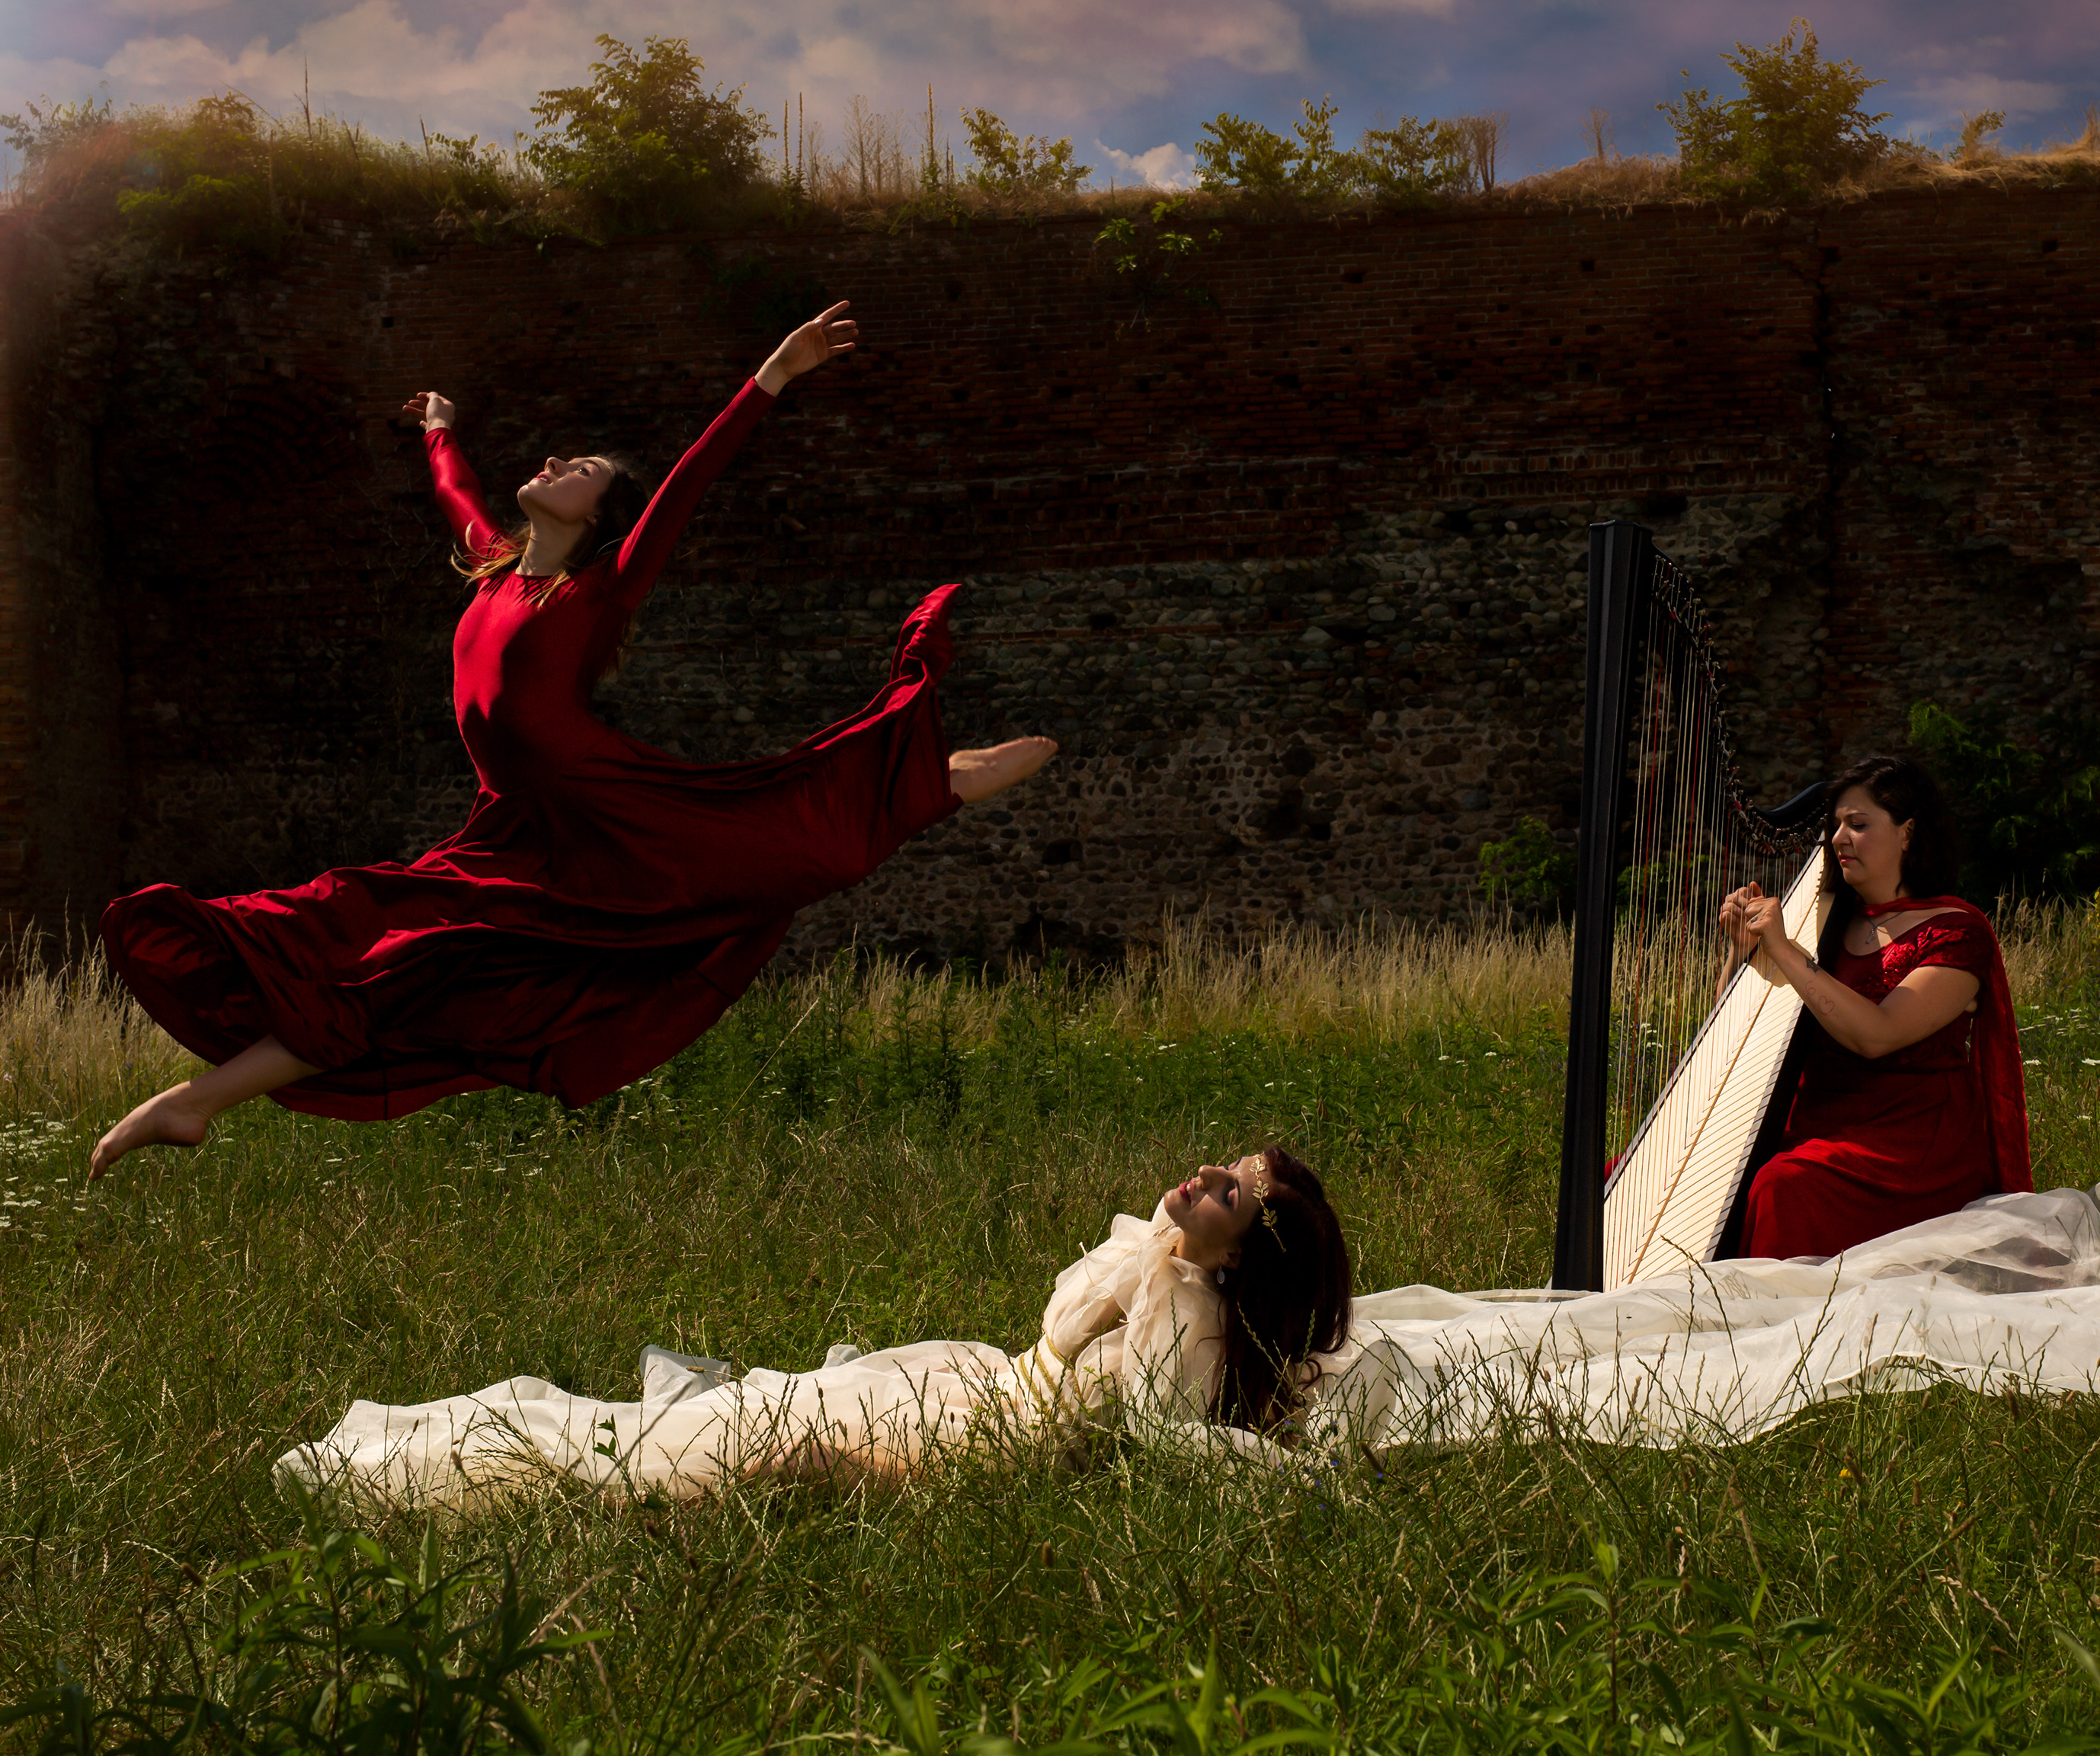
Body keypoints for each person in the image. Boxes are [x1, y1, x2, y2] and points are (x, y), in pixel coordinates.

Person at [91, 302, 1057, 1179]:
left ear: (598, 518)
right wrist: (439, 427)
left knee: (793, 837)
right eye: (559, 460)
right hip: (513, 831)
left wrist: (774, 374)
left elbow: (688, 481)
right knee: (378, 949)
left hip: (607, 813)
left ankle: (934, 780)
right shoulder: (493, 569)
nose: (556, 465)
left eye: (581, 471)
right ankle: (194, 1104)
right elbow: (455, 490)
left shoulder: (600, 590)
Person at [275, 1147, 1358, 1505]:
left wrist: (1301, 1477)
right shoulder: (1158, 1250)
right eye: (1224, 1163)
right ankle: (425, 1453)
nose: (1204, 1173)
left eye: (1229, 1191)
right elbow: (1066, 1330)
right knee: (716, 1435)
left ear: (1239, 1253)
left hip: (975, 1449)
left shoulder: (1193, 1325)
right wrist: (1157, 1253)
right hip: (971, 1386)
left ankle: (422, 1467)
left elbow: (1164, 1434)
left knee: (720, 1463)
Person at [1716, 755, 2031, 1259]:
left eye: (1858, 825)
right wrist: (1743, 951)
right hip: (1814, 1121)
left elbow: (1878, 1035)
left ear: (1907, 833)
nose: (1838, 838)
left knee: (1783, 1186)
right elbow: (1732, 1032)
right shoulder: (1822, 925)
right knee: (1629, 1174)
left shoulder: (1956, 931)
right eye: (1836, 825)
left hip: (1908, 1142)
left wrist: (1785, 952)